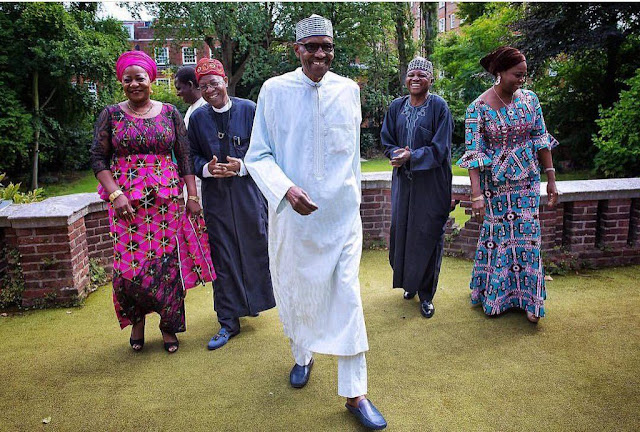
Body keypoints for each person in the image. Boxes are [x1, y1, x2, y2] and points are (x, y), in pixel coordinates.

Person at [245, 14, 387, 431]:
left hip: (340, 219)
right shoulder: (274, 90)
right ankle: (302, 354)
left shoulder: (348, 90)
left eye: (327, 46)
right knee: (297, 292)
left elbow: (352, 156)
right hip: (294, 219)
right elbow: (257, 155)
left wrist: (354, 204)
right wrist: (287, 190)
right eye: (312, 47)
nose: (320, 54)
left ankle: (356, 393)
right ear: (297, 50)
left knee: (348, 297)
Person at [90, 50, 215, 353]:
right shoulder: (111, 114)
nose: (134, 84)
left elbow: (185, 157)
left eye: (139, 78)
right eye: (127, 79)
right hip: (126, 205)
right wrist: (116, 194)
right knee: (128, 268)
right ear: (122, 82)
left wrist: (192, 196)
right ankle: (137, 321)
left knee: (168, 265)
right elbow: (98, 158)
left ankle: (168, 325)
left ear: (151, 79)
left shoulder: (170, 112)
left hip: (166, 202)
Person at [456, 46, 558, 323]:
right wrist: (476, 195)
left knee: (529, 238)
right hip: (496, 185)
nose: (522, 80)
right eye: (517, 75)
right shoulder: (477, 108)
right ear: (499, 72)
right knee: (499, 239)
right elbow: (474, 155)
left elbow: (541, 138)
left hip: (527, 180)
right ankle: (495, 297)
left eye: (524, 75)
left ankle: (531, 302)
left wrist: (551, 178)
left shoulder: (531, 100)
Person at [188, 57, 276, 350]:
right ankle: (228, 321)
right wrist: (207, 169)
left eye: (214, 83)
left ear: (225, 81)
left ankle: (254, 302)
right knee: (222, 255)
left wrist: (242, 166)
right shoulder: (197, 119)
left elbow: (267, 149)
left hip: (248, 194)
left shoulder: (249, 110)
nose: (209, 90)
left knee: (255, 248)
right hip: (216, 198)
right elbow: (191, 156)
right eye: (203, 86)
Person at [380, 56, 453, 319]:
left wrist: (413, 156)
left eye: (422, 75)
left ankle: (426, 295)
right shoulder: (396, 107)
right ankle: (409, 284)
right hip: (404, 182)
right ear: (405, 78)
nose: (415, 79)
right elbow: (387, 140)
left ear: (430, 79)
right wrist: (396, 154)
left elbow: (441, 148)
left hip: (431, 184)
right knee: (402, 232)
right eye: (411, 74)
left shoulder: (439, 107)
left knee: (427, 234)